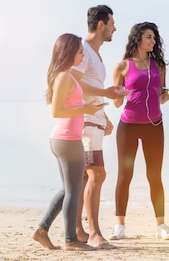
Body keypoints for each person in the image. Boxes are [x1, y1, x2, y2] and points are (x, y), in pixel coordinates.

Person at [33, 33, 106, 251]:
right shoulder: (64, 77)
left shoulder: (67, 76)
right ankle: (70, 240)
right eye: (80, 51)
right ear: (69, 52)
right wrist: (86, 109)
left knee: (68, 190)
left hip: (66, 139)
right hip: (67, 139)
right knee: (74, 190)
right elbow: (57, 111)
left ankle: (41, 230)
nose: (83, 54)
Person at [109, 22, 169, 240]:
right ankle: (119, 226)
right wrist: (118, 94)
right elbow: (115, 103)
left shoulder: (158, 65)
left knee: (154, 176)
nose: (153, 41)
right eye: (149, 37)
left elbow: (160, 97)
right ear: (138, 38)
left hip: (154, 126)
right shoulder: (122, 66)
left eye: (154, 37)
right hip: (128, 127)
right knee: (125, 176)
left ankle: (161, 226)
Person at [71, 5, 128, 249]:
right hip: (83, 123)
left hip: (94, 121)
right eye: (112, 23)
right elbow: (72, 83)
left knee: (85, 177)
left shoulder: (96, 54)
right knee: (97, 173)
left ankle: (78, 230)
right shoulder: (83, 50)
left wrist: (104, 116)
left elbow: (89, 86)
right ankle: (94, 233)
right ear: (101, 24)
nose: (115, 28)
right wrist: (104, 93)